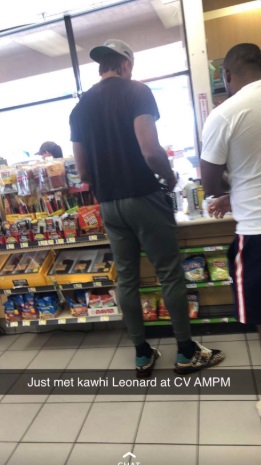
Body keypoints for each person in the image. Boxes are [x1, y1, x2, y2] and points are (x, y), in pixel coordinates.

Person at [69, 38, 224, 377]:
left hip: (109, 204)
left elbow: (81, 172)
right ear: (126, 65)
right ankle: (184, 351)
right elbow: (150, 149)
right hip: (143, 195)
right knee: (169, 273)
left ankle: (141, 353)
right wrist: (168, 177)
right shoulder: (136, 91)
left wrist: (106, 188)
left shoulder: (79, 109)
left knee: (126, 279)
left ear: (102, 66)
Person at [200, 43, 261, 410]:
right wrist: (237, 194)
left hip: (256, 231)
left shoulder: (227, 113)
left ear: (226, 75)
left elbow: (210, 183)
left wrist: (228, 193)